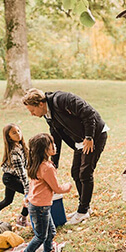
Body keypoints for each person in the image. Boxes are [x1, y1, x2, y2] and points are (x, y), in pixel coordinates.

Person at [22, 88, 108, 225]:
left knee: (85, 172)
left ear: (40, 104)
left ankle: (83, 211)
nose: (32, 114)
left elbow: (88, 113)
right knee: (76, 172)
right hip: (80, 140)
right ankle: (85, 208)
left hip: (94, 135)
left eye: (32, 110)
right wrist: (53, 162)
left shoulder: (62, 99)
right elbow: (56, 135)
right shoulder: (47, 114)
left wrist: (89, 136)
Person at [12, 133, 72, 252]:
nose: (55, 145)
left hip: (38, 205)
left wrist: (28, 197)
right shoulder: (47, 167)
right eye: (52, 143)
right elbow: (56, 188)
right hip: (40, 207)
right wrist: (67, 186)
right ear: (45, 149)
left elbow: (34, 185)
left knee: (50, 231)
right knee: (41, 235)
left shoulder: (37, 164)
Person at [1, 123, 30, 227]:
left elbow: (26, 165)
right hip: (10, 179)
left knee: (7, 200)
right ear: (9, 137)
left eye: (18, 131)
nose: (18, 134)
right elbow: (22, 174)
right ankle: (22, 219)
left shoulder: (21, 146)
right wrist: (27, 189)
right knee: (31, 195)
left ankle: (22, 218)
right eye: (14, 133)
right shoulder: (14, 153)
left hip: (11, 177)